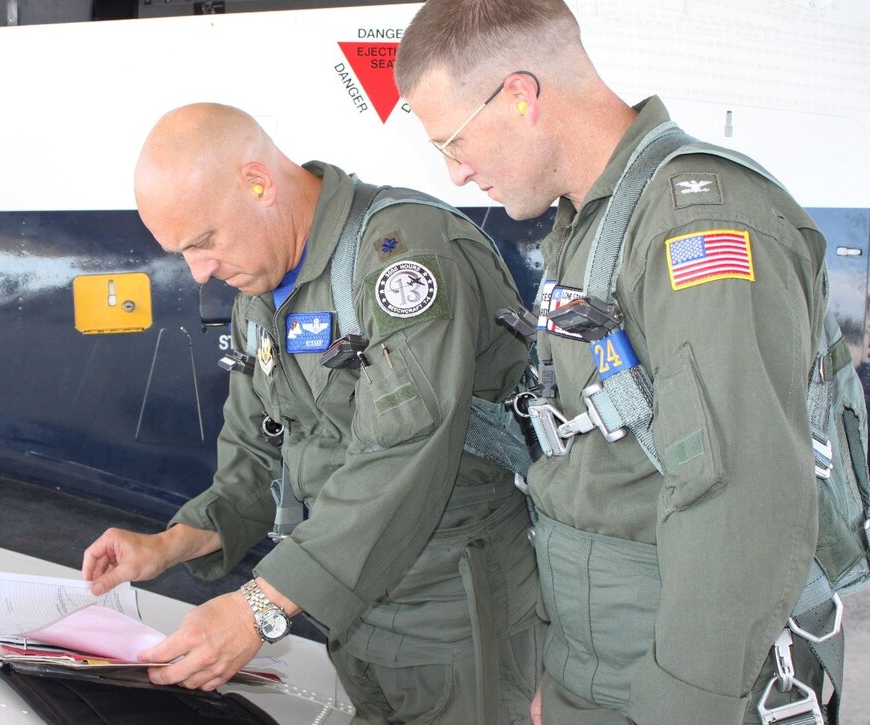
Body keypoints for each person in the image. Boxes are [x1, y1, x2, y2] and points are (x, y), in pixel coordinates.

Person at [396, 2, 827, 724]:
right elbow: (600, 466)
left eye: (455, 142)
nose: (457, 174)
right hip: (603, 660)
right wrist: (567, 677)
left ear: (520, 95)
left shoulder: (698, 224)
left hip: (685, 674)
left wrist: (680, 704)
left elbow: (743, 500)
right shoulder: (595, 218)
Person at [82, 102, 545, 723]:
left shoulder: (400, 256)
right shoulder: (258, 295)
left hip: (452, 614)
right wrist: (166, 545)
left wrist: (261, 606)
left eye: (204, 242)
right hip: (351, 611)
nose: (199, 273)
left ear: (257, 182)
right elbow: (255, 457)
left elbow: (402, 453)